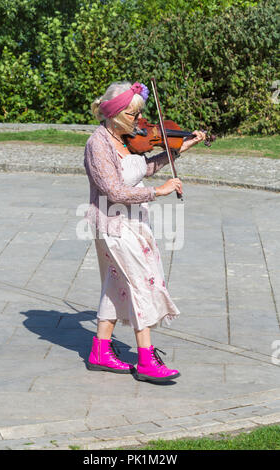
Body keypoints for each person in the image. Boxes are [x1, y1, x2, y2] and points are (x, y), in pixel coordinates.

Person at [83, 81, 205, 383]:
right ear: (113, 114)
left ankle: (100, 350)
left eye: (139, 114)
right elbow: (114, 190)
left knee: (115, 286)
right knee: (140, 286)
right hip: (114, 226)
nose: (139, 122)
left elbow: (144, 168)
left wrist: (178, 149)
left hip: (135, 223)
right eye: (132, 115)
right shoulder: (98, 144)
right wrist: (158, 193)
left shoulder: (124, 139)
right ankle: (147, 359)